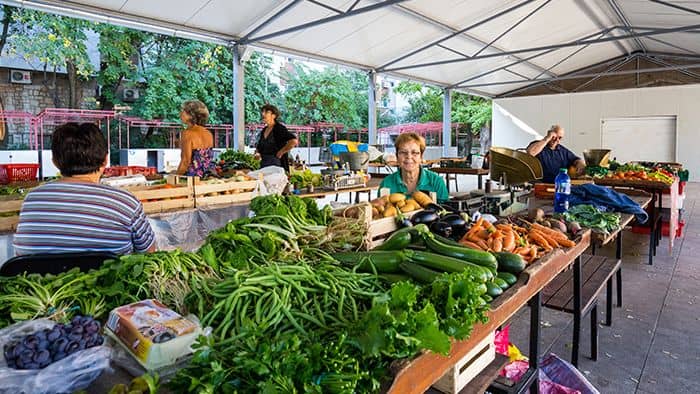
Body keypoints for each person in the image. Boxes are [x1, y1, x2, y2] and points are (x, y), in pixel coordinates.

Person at [13, 122, 156, 256]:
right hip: (108, 282)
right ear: (106, 160)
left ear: (54, 162)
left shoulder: (32, 199)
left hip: (39, 283)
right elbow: (149, 252)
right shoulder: (126, 203)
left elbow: (20, 255)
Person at [380, 132, 449, 202]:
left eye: (414, 153)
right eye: (403, 152)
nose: (409, 157)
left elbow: (445, 210)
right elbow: (380, 210)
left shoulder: (436, 182)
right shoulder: (386, 184)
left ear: (421, 157)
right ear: (397, 156)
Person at [176, 100, 215, 176]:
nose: (180, 114)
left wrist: (174, 178)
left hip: (192, 179)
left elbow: (185, 162)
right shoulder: (208, 134)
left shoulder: (187, 133)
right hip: (207, 176)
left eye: (183, 111)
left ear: (191, 115)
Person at [254, 104, 298, 172]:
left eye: (266, 112)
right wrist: (257, 153)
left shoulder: (279, 128)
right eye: (263, 112)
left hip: (277, 164)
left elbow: (293, 141)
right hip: (264, 164)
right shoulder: (264, 130)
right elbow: (259, 147)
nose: (263, 114)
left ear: (273, 116)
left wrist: (282, 151)